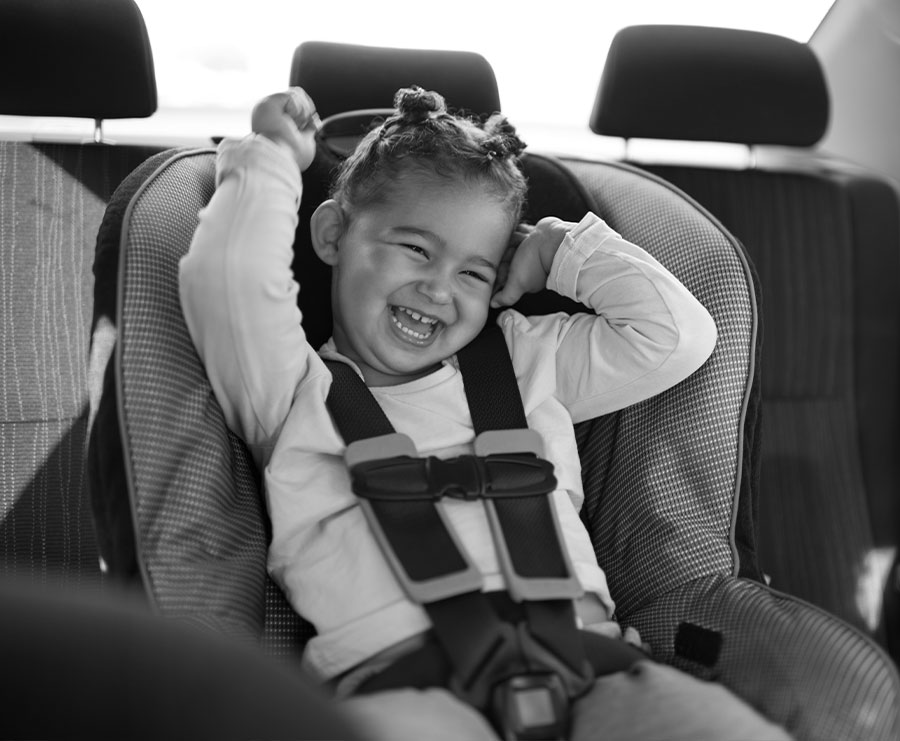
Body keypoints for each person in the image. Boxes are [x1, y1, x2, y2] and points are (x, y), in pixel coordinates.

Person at [179, 85, 791, 740]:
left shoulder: (531, 362)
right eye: (415, 248)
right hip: (405, 685)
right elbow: (229, 277)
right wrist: (273, 151)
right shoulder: (288, 388)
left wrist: (555, 249)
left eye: (474, 272)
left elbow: (677, 336)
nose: (439, 288)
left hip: (591, 665)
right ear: (332, 233)